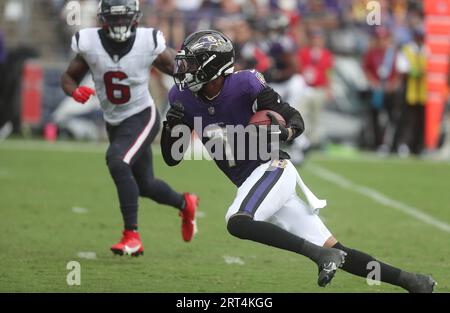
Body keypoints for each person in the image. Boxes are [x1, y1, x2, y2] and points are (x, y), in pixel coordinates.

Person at [161, 30, 435, 292]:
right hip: (253, 182)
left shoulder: (244, 84)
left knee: (237, 220)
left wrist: (284, 131)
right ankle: (413, 282)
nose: (184, 69)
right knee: (339, 250)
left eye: (192, 62)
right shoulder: (181, 98)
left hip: (272, 169)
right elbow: (171, 157)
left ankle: (320, 256)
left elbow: (294, 118)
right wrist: (169, 128)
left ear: (213, 67)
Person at [61, 0, 198, 257]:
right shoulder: (89, 42)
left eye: (124, 18)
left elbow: (177, 70)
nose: (120, 24)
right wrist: (74, 91)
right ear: (103, 19)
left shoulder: (147, 41)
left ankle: (131, 236)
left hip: (142, 115)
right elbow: (68, 77)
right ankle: (185, 203)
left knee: (117, 160)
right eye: (115, 18)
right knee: (145, 185)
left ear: (135, 18)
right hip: (114, 121)